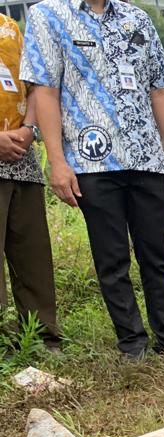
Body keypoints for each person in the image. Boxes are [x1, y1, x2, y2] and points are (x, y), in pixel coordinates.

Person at [21, 0, 164, 362]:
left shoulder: (136, 17)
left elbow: (160, 87)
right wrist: (57, 161)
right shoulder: (48, 15)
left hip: (146, 156)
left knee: (156, 254)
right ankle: (132, 344)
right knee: (112, 258)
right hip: (92, 159)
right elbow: (45, 90)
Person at [0, 12, 59, 351]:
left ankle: (42, 337)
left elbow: (35, 86)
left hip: (22, 158)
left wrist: (29, 130)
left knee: (33, 254)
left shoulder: (11, 27)